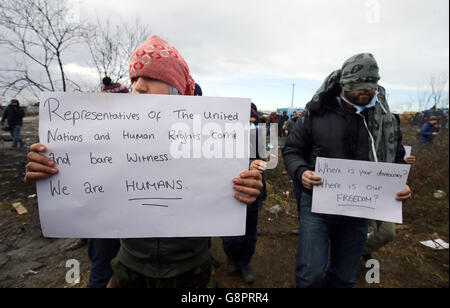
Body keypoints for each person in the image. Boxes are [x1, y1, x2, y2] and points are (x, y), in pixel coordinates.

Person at [24, 35, 263, 288]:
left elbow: (230, 193)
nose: (138, 86)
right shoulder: (108, 133)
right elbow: (85, 182)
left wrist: (248, 190)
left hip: (193, 270)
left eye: (151, 77)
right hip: (130, 268)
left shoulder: (211, 133)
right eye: (135, 78)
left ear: (177, 86)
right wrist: (47, 174)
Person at [282, 53, 411, 288]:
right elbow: (292, 150)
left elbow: (397, 157)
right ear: (345, 85)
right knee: (310, 273)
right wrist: (301, 172)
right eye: (359, 87)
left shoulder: (385, 120)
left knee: (344, 276)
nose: (366, 92)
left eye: (371, 86)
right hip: (316, 205)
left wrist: (401, 182)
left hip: (359, 210)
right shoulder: (316, 112)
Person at [222, 103, 267, 284]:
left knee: (249, 233)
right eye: (245, 121)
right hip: (229, 192)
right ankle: (231, 257)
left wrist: (256, 167)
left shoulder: (258, 137)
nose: (249, 126)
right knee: (229, 233)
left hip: (252, 194)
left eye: (252, 121)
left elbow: (264, 162)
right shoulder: (223, 137)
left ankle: (245, 262)